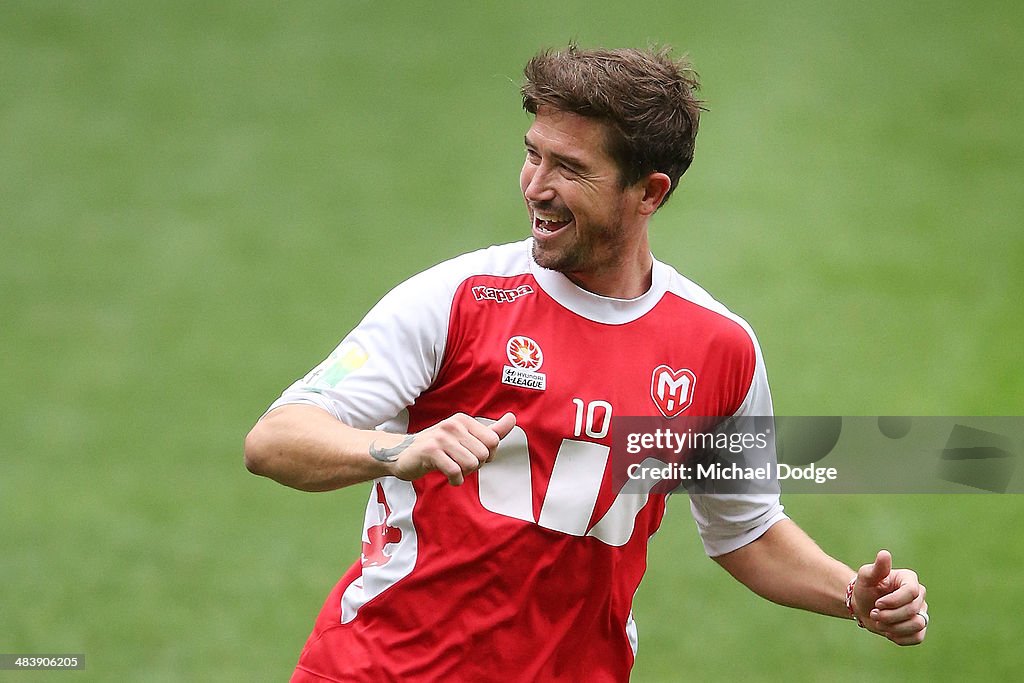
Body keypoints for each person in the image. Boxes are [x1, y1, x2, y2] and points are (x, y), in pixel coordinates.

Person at [244, 45, 928, 681]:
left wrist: (852, 594)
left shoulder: (718, 349)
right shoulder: (457, 300)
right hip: (379, 669)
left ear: (650, 192)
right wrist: (400, 449)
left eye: (569, 169)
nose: (535, 186)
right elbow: (275, 439)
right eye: (533, 155)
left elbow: (746, 529)